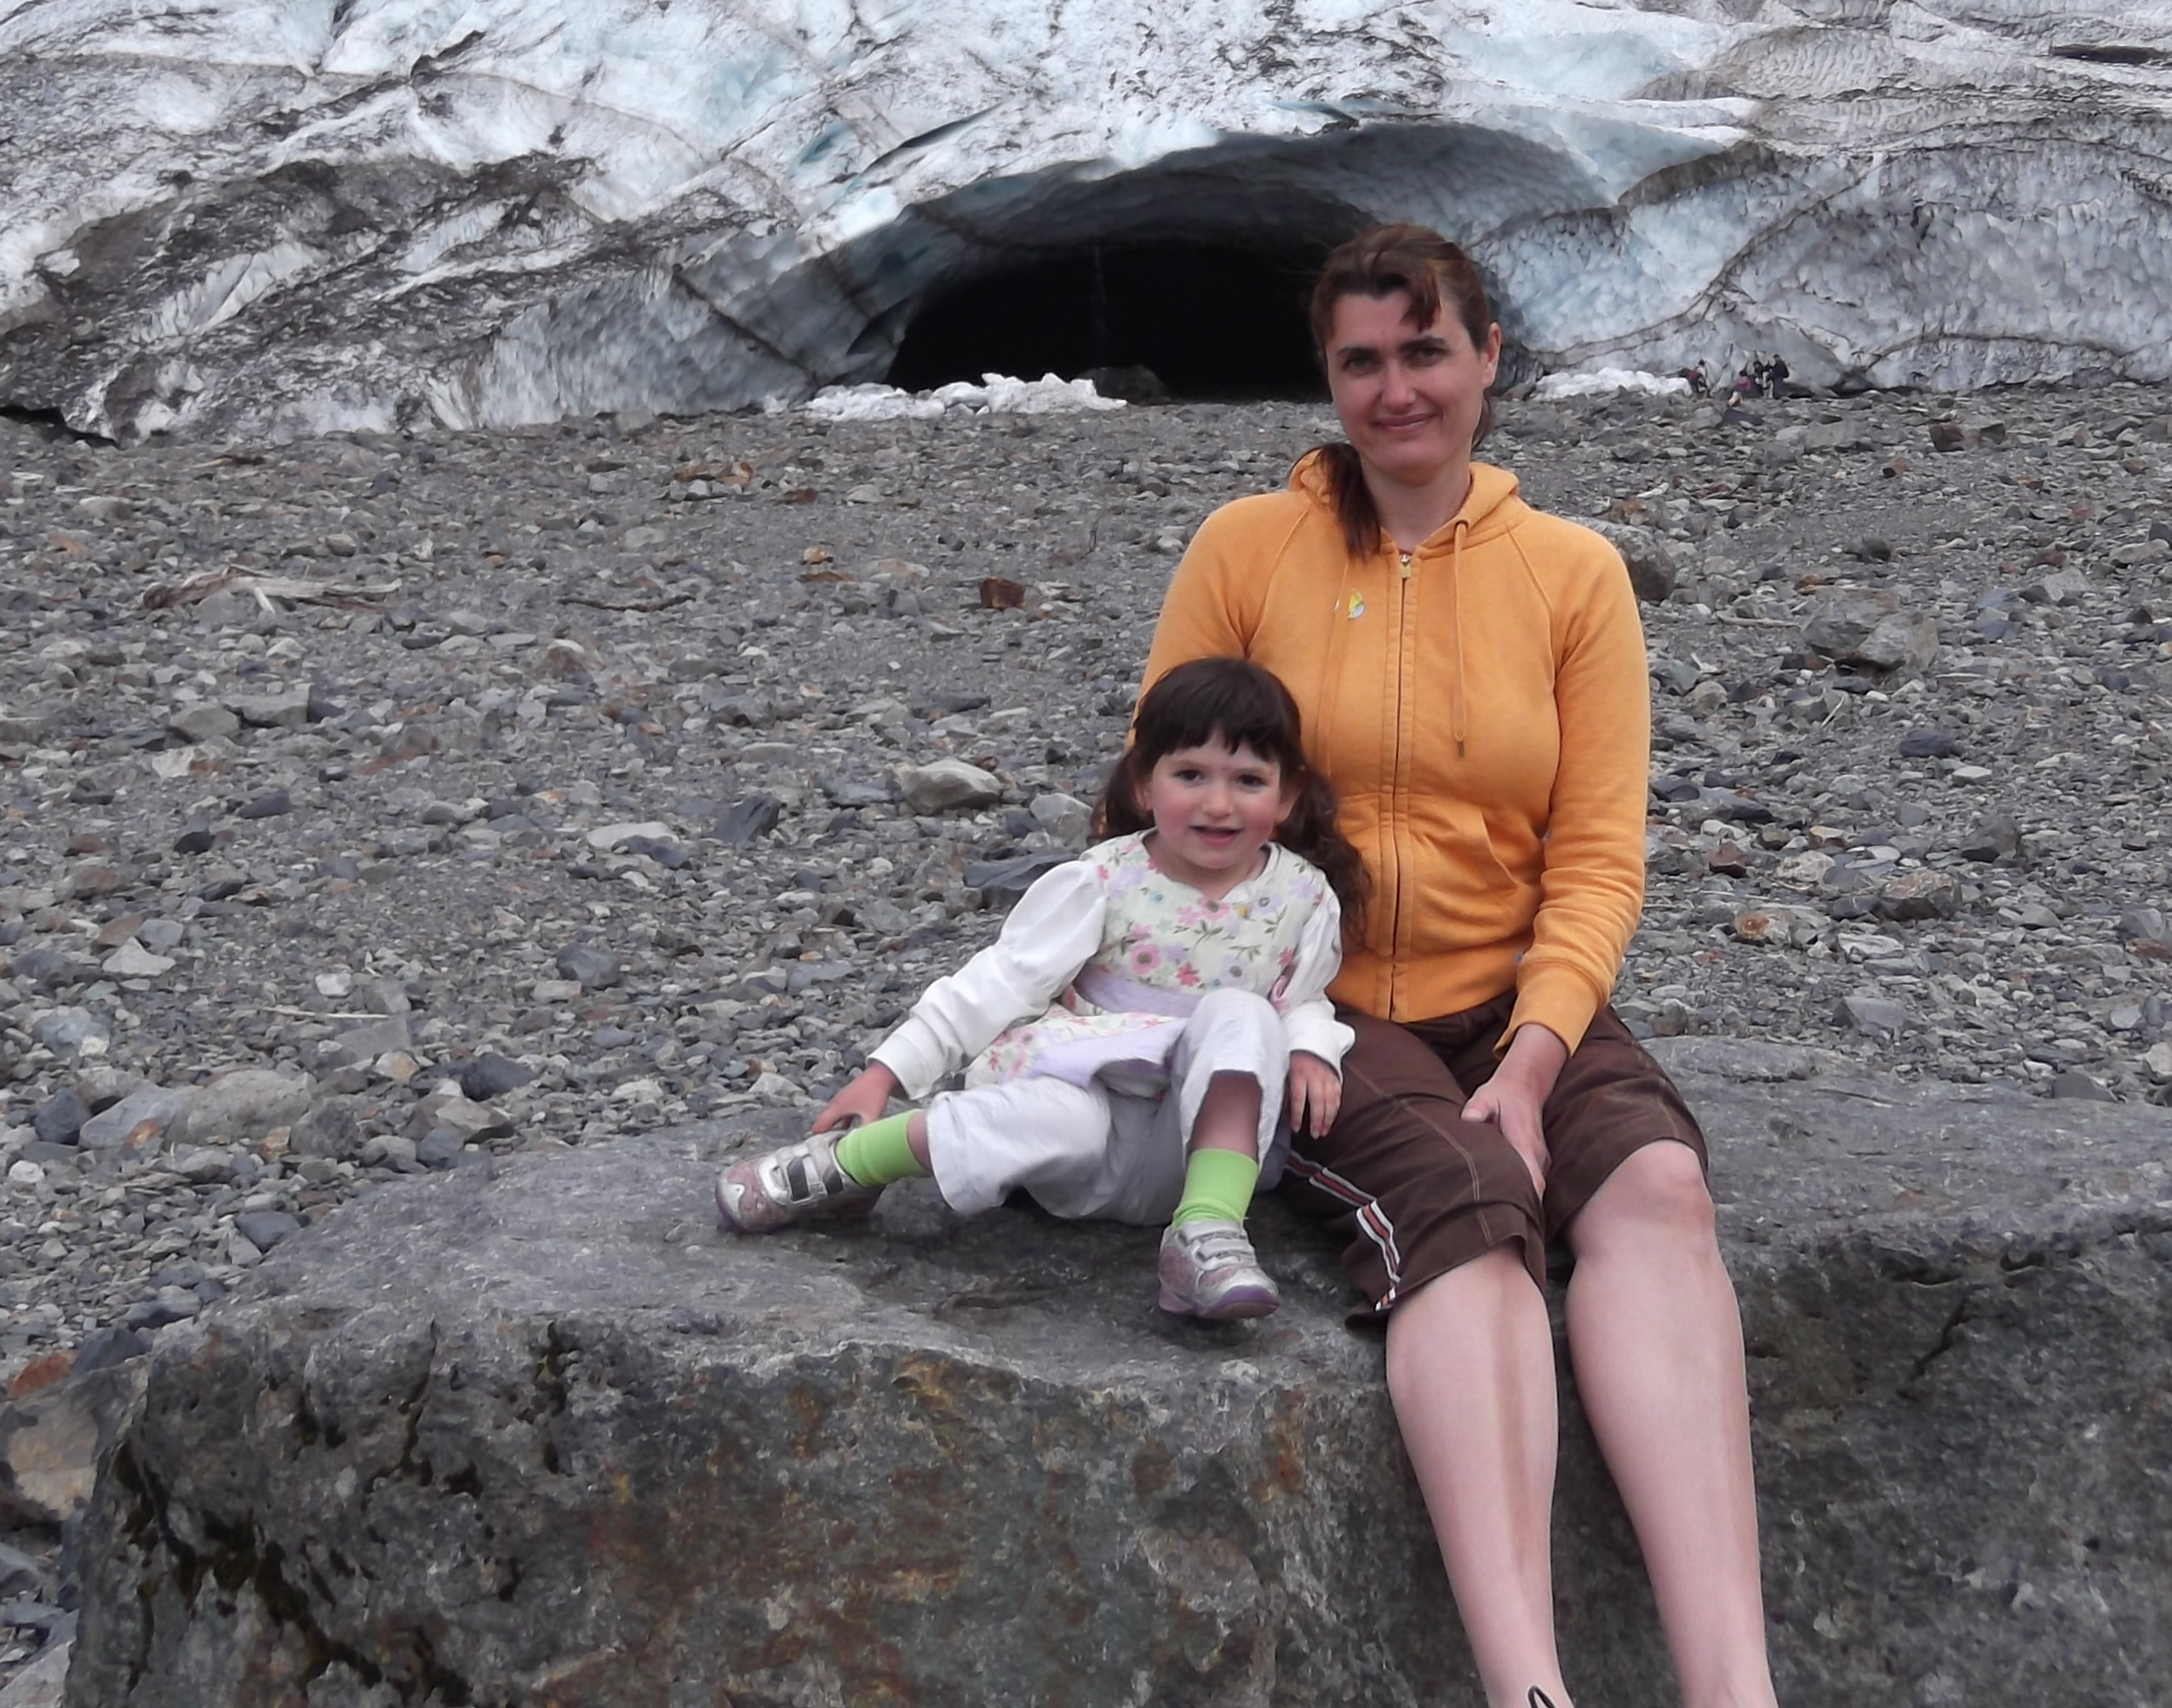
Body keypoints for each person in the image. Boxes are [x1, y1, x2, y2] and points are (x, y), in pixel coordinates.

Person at [1144, 223, 1784, 1708]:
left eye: (1423, 349)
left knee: (1655, 1187)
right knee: (1474, 1203)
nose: (1394, 389)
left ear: (1487, 357)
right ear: (1329, 376)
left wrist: (1540, 1051)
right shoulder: (1246, 551)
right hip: (1316, 995)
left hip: (1514, 985)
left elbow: (1597, 853)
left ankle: (1732, 1683)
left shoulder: (1569, 575)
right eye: (1360, 359)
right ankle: (1527, 1687)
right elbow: (1162, 799)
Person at [713, 656, 1361, 1321]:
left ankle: (1205, 1237)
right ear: (1144, 783)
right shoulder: (1106, 880)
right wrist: (887, 1070)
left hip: (1195, 1144)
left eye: (1248, 780)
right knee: (1049, 1118)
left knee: (1245, 1014)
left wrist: (1310, 1049)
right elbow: (1000, 980)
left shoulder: (1300, 896)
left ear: (1286, 796)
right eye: (1191, 774)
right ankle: (850, 1164)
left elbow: (1305, 996)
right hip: (1086, 1128)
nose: (1218, 804)